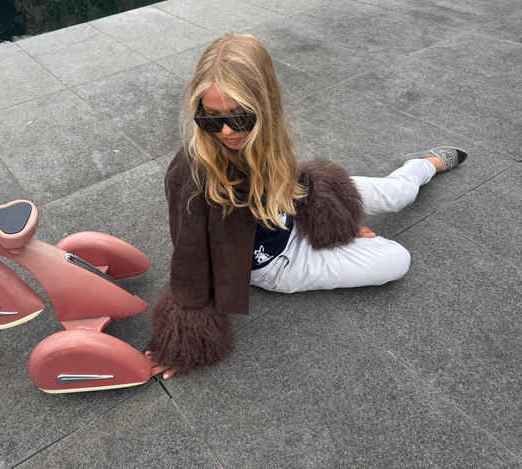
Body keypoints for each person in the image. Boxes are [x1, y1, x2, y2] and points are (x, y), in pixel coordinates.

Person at [144, 32, 467, 379]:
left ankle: (422, 165)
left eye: (239, 117)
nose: (225, 131)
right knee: (397, 259)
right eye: (210, 118)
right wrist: (180, 342)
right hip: (276, 260)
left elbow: (293, 183)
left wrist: (338, 220)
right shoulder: (189, 174)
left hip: (297, 208)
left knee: (398, 194)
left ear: (265, 105)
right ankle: (355, 235)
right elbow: (189, 256)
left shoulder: (266, 136)